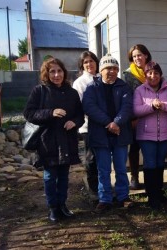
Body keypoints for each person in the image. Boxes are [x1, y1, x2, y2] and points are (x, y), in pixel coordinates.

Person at [24, 58, 84, 222]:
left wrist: (75, 122)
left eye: (59, 71)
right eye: (52, 71)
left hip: (67, 139)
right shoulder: (40, 91)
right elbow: (29, 113)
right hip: (47, 140)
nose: (56, 75)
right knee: (50, 176)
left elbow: (80, 115)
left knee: (64, 175)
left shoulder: (72, 93)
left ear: (64, 72)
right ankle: (53, 208)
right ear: (46, 73)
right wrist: (50, 113)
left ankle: (63, 205)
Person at [83, 54, 134, 214]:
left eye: (114, 68)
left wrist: (116, 123)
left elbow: (127, 107)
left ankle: (123, 197)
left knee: (120, 168)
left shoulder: (124, 87)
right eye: (107, 68)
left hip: (120, 134)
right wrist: (108, 123)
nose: (111, 71)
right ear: (101, 70)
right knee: (103, 169)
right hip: (100, 135)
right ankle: (104, 199)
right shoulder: (92, 88)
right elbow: (89, 107)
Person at [134, 61, 167, 210]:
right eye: (150, 73)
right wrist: (152, 106)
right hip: (146, 135)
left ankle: (159, 193)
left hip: (165, 134)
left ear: (160, 75)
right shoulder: (140, 90)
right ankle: (151, 196)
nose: (153, 76)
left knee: (160, 164)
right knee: (150, 164)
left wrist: (163, 105)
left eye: (156, 73)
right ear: (145, 75)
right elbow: (136, 110)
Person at [122, 44, 153, 190]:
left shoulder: (153, 70)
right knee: (134, 148)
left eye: (139, 55)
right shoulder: (127, 74)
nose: (137, 58)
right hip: (135, 118)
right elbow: (127, 99)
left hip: (152, 116)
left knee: (150, 149)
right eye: (134, 56)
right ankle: (134, 177)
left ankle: (150, 178)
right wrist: (133, 118)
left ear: (146, 55)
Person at [72, 51, 100, 195]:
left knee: (103, 157)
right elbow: (81, 105)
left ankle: (103, 186)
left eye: (92, 61)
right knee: (91, 157)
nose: (89, 64)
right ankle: (94, 188)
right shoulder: (79, 82)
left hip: (104, 126)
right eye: (86, 62)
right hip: (88, 126)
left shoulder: (102, 77)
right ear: (82, 65)